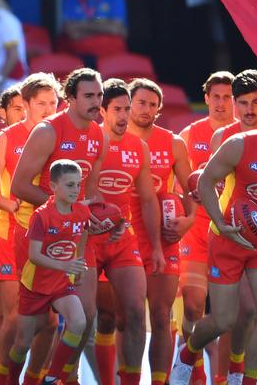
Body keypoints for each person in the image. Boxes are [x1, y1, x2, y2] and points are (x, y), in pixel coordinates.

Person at [170, 100, 257, 385]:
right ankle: (188, 353)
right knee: (224, 320)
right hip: (228, 237)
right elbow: (206, 181)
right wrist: (221, 222)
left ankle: (248, 381)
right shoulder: (240, 145)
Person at [4, 68, 109, 385]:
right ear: (71, 98)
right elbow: (20, 186)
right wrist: (62, 209)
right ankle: (6, 378)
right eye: (89, 96)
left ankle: (63, 377)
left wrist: (102, 217)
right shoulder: (48, 131)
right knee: (33, 329)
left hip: (78, 238)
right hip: (39, 238)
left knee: (87, 315)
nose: (95, 102)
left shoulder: (97, 135)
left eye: (99, 95)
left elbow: (91, 192)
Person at [0, 73, 60, 384]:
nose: (47, 109)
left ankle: (36, 376)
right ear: (26, 104)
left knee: (50, 320)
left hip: (54, 235)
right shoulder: (7, 138)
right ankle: (2, 377)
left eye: (53, 103)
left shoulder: (60, 135)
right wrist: (8, 205)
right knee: (14, 316)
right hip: (10, 233)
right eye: (41, 103)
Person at [126, 78, 195, 385]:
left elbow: (192, 189)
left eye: (153, 104)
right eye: (141, 102)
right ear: (128, 104)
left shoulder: (173, 143)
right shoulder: (111, 136)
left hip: (162, 234)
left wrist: (189, 221)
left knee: (161, 314)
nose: (147, 109)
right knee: (125, 317)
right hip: (123, 232)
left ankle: (159, 381)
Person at [94, 78, 160, 385]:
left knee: (134, 313)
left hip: (123, 240)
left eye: (127, 109)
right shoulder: (90, 141)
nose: (124, 116)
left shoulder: (139, 147)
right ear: (103, 112)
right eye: (117, 109)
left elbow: (147, 199)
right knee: (93, 318)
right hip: (87, 238)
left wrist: (157, 247)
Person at [209, 69, 257, 385]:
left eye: (255, 102)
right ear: (234, 104)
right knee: (231, 316)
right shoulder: (224, 138)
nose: (249, 110)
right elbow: (209, 183)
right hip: (231, 232)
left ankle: (240, 375)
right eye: (243, 103)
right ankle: (218, 368)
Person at [5, 160, 89, 384]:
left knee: (79, 322)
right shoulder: (41, 216)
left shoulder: (82, 211)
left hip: (61, 283)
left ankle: (51, 378)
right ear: (53, 187)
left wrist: (78, 262)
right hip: (35, 285)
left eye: (79, 185)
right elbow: (34, 255)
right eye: (70, 185)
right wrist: (65, 265)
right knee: (22, 343)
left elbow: (83, 233)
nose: (76, 190)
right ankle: (13, 380)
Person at [178, 71, 235, 383]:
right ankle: (191, 367)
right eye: (216, 96)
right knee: (193, 307)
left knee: (231, 315)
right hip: (197, 231)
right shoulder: (189, 135)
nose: (222, 103)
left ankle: (221, 377)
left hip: (231, 232)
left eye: (228, 97)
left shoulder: (244, 135)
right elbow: (179, 183)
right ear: (206, 99)